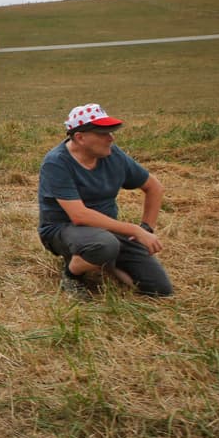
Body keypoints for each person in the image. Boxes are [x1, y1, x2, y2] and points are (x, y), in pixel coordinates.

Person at [37, 103, 173, 299]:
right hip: (63, 229)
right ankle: (72, 273)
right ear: (80, 137)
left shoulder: (113, 155)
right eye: (103, 133)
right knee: (104, 245)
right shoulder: (56, 163)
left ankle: (104, 262)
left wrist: (147, 228)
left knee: (159, 289)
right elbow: (79, 216)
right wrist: (135, 230)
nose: (111, 138)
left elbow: (154, 187)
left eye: (111, 132)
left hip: (107, 231)